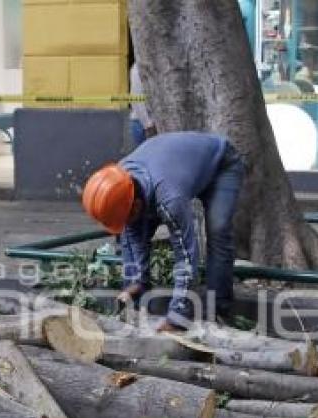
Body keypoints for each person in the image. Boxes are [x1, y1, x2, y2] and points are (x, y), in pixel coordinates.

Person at [82, 132, 244, 332]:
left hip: (221, 163)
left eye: (127, 218)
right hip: (176, 171)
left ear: (137, 205)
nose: (125, 225)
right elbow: (132, 236)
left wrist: (177, 317)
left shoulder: (169, 199)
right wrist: (134, 283)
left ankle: (219, 310)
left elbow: (185, 256)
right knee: (133, 230)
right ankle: (140, 298)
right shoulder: (120, 182)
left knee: (218, 230)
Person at [129, 63, 156, 148]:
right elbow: (137, 98)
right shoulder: (139, 67)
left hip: (148, 123)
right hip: (144, 125)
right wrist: (148, 124)